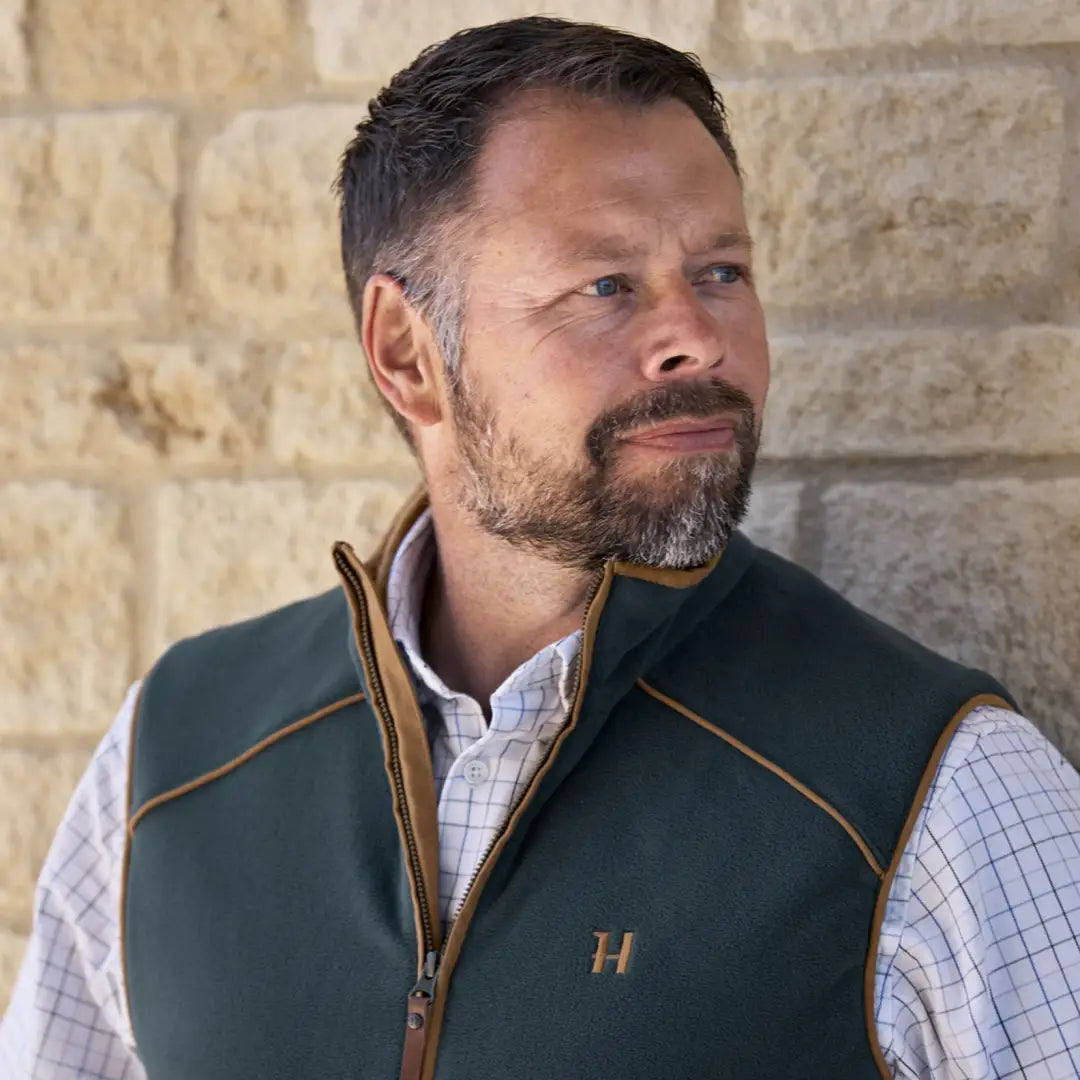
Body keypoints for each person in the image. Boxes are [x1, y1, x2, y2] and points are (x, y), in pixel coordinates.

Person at [2, 15, 1079, 1080]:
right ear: (407, 354)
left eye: (722, 271)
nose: (698, 336)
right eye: (606, 285)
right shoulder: (175, 757)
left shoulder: (931, 788)